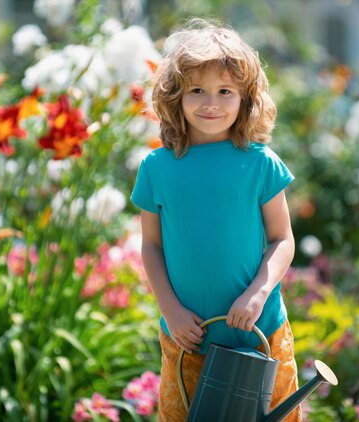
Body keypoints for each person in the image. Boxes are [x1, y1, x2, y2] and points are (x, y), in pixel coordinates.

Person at [131, 18, 300, 422]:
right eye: (197, 91)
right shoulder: (157, 167)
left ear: (245, 98)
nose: (211, 103)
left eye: (225, 91)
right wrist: (170, 311)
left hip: (260, 334)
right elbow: (151, 246)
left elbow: (283, 239)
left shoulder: (260, 164)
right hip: (188, 338)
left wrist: (257, 295)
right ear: (175, 96)